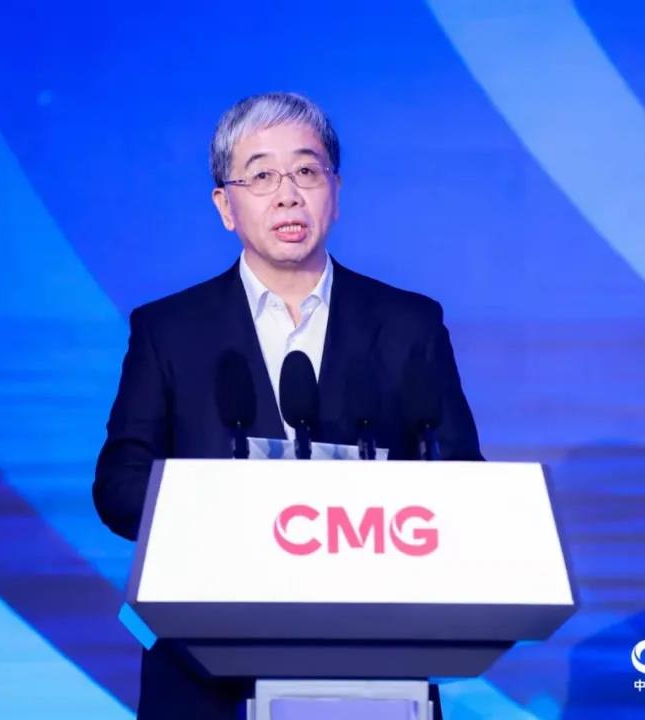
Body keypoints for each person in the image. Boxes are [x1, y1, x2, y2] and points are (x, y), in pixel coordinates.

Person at [94, 91, 482, 719]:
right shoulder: (170, 330)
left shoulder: (409, 325)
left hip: (373, 665)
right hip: (203, 675)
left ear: (335, 190)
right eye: (261, 176)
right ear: (225, 205)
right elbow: (119, 487)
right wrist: (237, 515)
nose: (287, 195)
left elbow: (463, 481)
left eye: (306, 170)